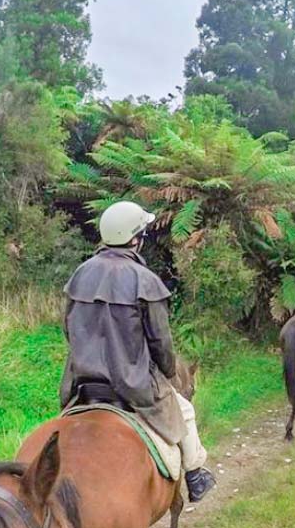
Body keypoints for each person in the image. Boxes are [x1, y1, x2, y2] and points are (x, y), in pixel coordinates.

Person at [59, 201, 216, 502]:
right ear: (135, 239)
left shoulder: (80, 274)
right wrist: (168, 373)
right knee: (185, 411)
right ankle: (196, 476)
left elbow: (69, 328)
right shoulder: (145, 281)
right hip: (133, 385)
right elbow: (160, 342)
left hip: (82, 383)